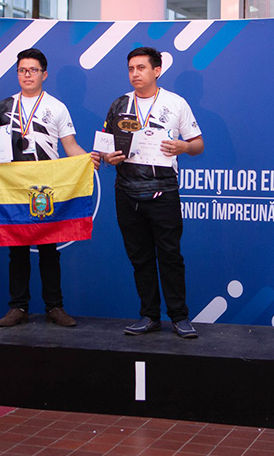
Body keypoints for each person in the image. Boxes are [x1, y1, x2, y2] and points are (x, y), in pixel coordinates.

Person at [0, 48, 98, 328]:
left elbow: (70, 146)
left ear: (44, 74)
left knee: (49, 250)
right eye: (21, 70)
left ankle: (54, 306)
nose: (26, 75)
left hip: (47, 185)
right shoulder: (4, 106)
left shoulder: (56, 107)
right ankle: (18, 307)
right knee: (16, 249)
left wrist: (86, 159)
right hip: (14, 186)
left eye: (32, 70)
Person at [98, 47, 204, 338]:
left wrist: (183, 146)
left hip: (163, 192)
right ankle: (149, 315)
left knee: (170, 255)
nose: (135, 74)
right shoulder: (119, 104)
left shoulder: (175, 103)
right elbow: (106, 147)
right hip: (126, 192)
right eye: (131, 68)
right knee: (140, 257)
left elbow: (198, 144)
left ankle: (180, 317)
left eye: (141, 68)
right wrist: (108, 158)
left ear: (156, 71)